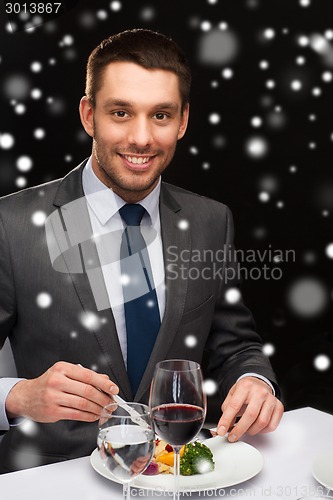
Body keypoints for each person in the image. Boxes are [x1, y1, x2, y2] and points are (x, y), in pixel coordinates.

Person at [0, 29, 284, 473]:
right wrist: (17, 397)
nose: (141, 138)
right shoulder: (10, 224)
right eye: (121, 112)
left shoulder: (210, 220)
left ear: (183, 121)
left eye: (161, 115)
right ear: (89, 115)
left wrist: (254, 380)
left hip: (177, 475)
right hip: (52, 479)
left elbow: (234, 344)